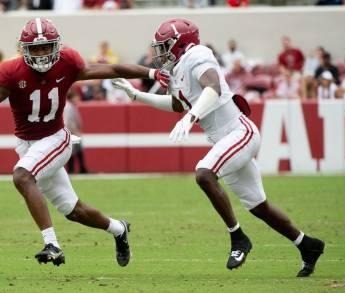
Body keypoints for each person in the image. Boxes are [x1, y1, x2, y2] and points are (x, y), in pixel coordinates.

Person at [112, 18, 324, 277]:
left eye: (165, 45)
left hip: (238, 132)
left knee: (204, 173)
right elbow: (179, 104)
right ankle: (307, 245)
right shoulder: (178, 69)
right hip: (223, 140)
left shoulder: (197, 54)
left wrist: (191, 118)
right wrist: (137, 96)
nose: (160, 52)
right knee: (259, 207)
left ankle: (238, 239)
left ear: (180, 43)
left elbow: (212, 87)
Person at [0, 18, 167, 267]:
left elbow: (113, 70)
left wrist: (151, 72)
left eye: (46, 47)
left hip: (55, 139)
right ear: (24, 49)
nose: (41, 54)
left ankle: (52, 244)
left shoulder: (68, 63)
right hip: (27, 144)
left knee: (22, 176)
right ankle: (119, 229)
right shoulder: (11, 72)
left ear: (56, 46)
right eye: (36, 48)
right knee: (74, 211)